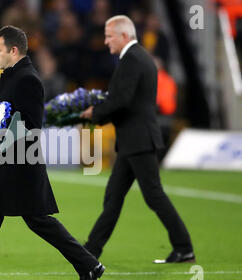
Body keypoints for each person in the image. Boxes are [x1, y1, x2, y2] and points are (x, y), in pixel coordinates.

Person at [0, 26, 104, 280]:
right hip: (3, 162)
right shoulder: (12, 76)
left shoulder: (27, 79)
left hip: (19, 166)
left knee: (39, 222)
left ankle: (89, 264)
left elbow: (30, 126)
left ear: (13, 50)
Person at [80, 16, 195, 264]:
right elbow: (122, 98)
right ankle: (90, 251)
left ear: (123, 36)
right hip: (134, 142)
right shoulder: (138, 57)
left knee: (153, 196)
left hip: (139, 140)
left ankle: (184, 247)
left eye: (109, 36)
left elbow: (122, 99)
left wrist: (95, 113)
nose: (106, 40)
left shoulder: (132, 59)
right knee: (114, 197)